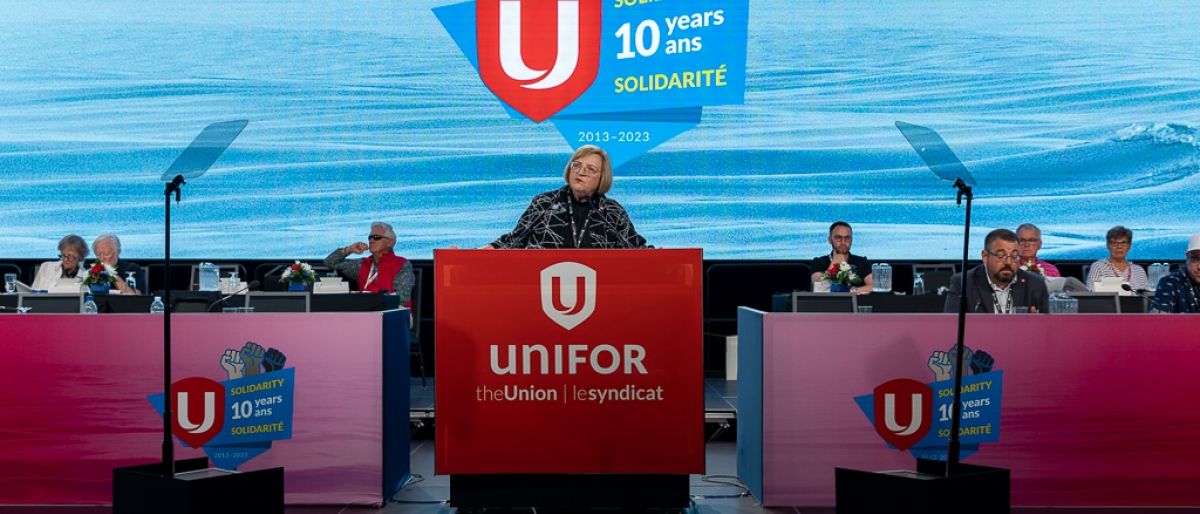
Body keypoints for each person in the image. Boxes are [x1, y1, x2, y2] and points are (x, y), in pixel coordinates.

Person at [485, 145, 647, 249]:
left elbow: (637, 250)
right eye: (576, 165)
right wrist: (471, 255)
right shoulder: (544, 203)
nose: (581, 172)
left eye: (590, 169)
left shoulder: (612, 212)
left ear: (602, 177)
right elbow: (513, 242)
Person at [945, 228, 1049, 313]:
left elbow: (1047, 329)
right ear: (985, 256)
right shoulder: (963, 283)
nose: (1008, 262)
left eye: (1014, 256)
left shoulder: (1035, 284)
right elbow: (951, 326)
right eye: (1000, 256)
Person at [324, 221, 414, 305]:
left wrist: (372, 301)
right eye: (370, 237)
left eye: (376, 237)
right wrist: (349, 249)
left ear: (390, 242)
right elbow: (330, 262)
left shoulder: (402, 264)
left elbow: (402, 297)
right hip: (366, 313)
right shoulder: (362, 264)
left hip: (393, 312)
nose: (371, 240)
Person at [809, 221, 873, 294]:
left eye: (847, 238)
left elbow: (873, 286)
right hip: (828, 304)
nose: (843, 242)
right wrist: (835, 263)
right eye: (838, 238)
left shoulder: (862, 262)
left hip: (856, 303)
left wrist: (850, 291)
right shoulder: (819, 262)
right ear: (830, 240)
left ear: (851, 240)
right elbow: (819, 289)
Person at [1149, 232, 1200, 313]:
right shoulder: (1171, 282)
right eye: (1195, 259)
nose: (1199, 267)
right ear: (1187, 259)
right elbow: (1158, 321)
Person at [1085, 226, 1148, 291]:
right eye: (1114, 243)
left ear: (1129, 246)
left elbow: (1147, 297)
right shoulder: (1098, 267)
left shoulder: (1139, 270)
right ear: (1108, 245)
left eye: (1123, 243)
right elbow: (1090, 293)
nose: (1119, 246)